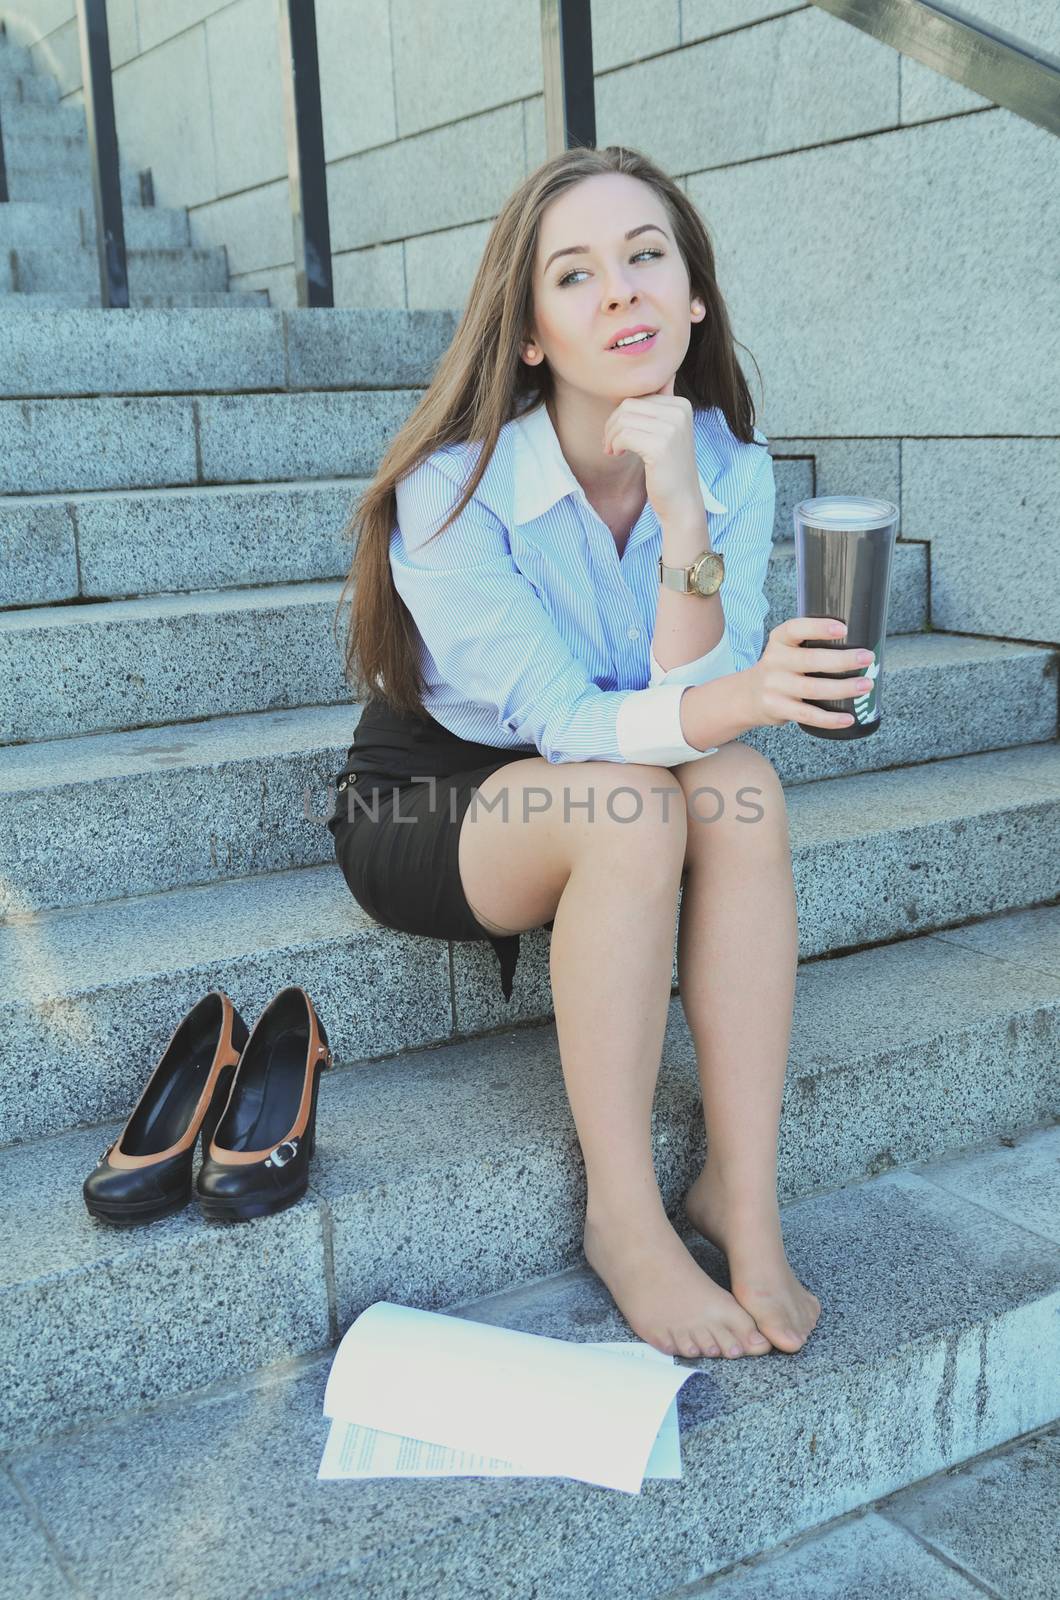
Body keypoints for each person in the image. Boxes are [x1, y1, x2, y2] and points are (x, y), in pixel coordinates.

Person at [328, 144, 872, 1364]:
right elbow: (576, 722)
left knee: (738, 787)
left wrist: (684, 515)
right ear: (528, 333)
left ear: (692, 298)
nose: (620, 291)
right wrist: (736, 692)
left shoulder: (727, 465)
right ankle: (623, 1217)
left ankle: (741, 1188)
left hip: (619, 766)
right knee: (637, 801)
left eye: (645, 258)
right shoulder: (450, 488)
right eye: (574, 275)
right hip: (439, 788)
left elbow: (694, 706)